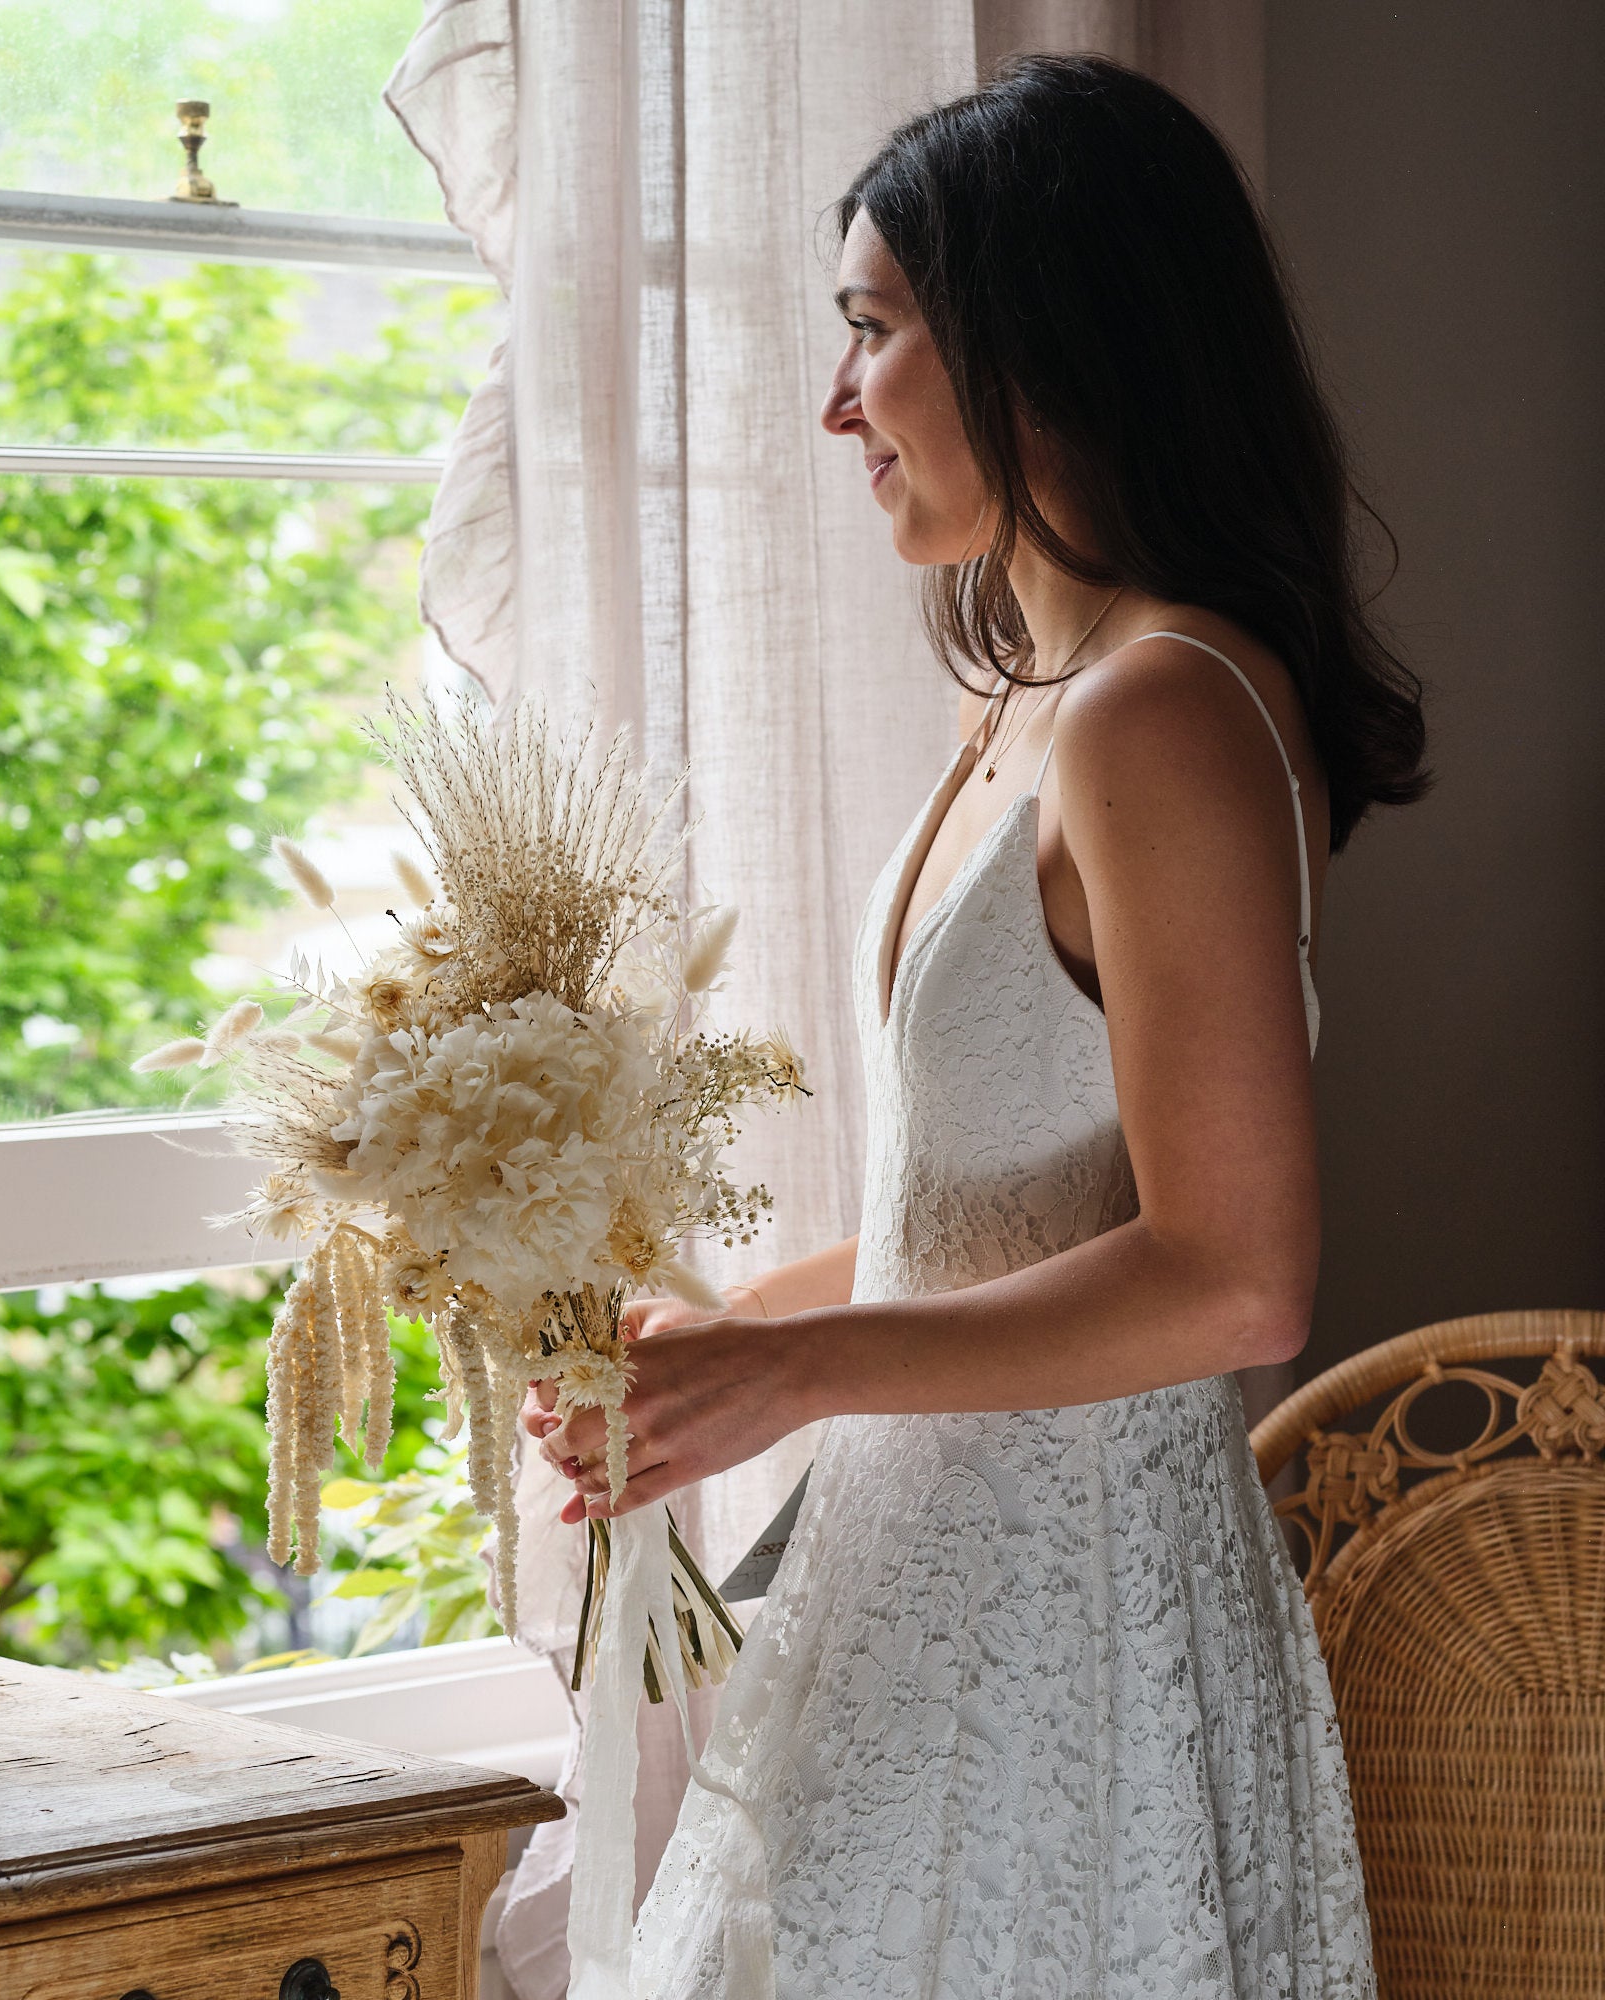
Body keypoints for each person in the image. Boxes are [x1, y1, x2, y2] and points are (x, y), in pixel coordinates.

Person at [522, 51, 1425, 1998]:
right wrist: (727, 1346)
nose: (834, 400)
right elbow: (991, 1222)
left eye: (872, 331)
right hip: (912, 1580)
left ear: (1033, 334)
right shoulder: (1029, 697)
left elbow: (1237, 1276)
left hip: (1075, 1604)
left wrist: (807, 1374)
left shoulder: (1158, 708)